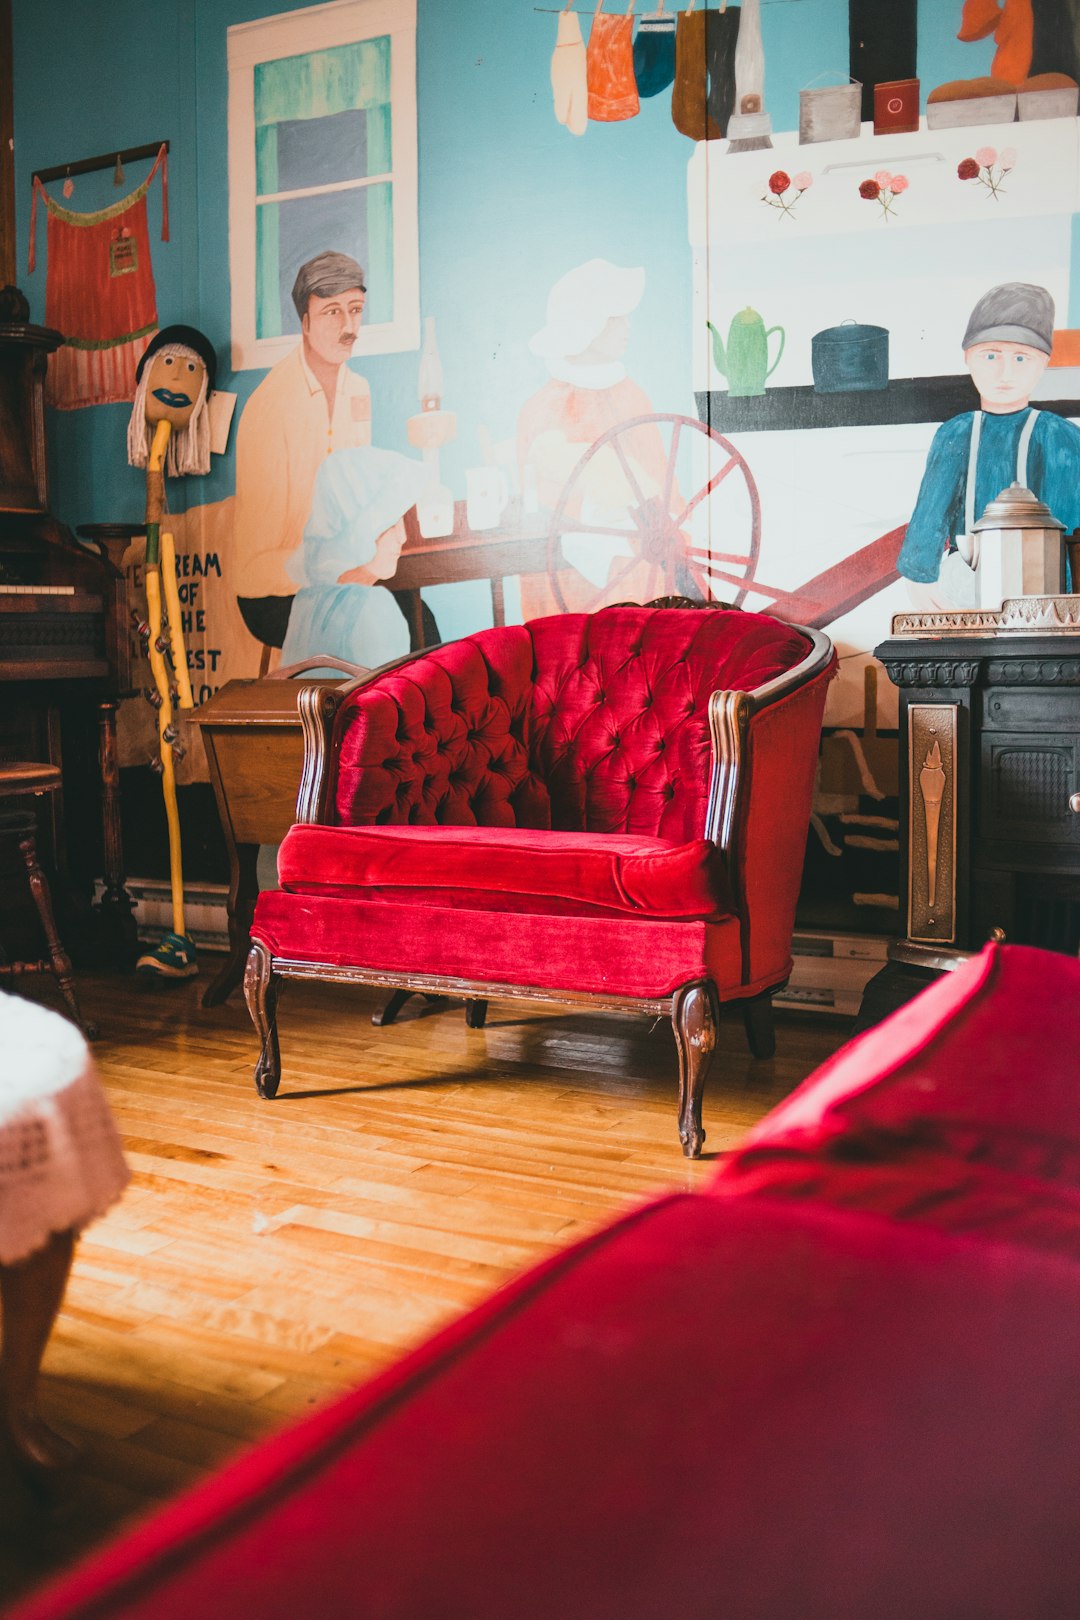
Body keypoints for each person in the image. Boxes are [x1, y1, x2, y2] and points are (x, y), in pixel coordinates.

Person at [898, 282, 1080, 606]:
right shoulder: (955, 434)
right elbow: (926, 535)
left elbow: (1070, 538)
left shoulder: (1060, 437)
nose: (1004, 372)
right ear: (968, 357)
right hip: (966, 583)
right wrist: (924, 587)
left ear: (1044, 363)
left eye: (1021, 358)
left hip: (1045, 593)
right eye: (991, 355)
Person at [233, 251, 373, 651]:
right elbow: (258, 565)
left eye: (356, 310)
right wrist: (339, 570)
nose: (348, 327)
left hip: (342, 577)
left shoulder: (358, 391)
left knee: (420, 618)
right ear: (305, 322)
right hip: (273, 595)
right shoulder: (270, 408)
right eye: (332, 312)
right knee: (376, 629)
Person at [280, 446, 431, 673]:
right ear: (359, 532)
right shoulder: (375, 607)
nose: (403, 537)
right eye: (390, 525)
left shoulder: (306, 601)